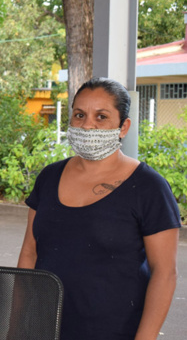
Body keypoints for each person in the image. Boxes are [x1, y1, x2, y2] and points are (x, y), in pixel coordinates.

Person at [18, 77, 181, 339]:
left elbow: (165, 273)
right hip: (46, 328)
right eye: (79, 115)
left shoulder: (149, 187)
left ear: (123, 127)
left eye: (101, 116)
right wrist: (16, 325)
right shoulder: (49, 178)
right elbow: (29, 253)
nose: (87, 125)